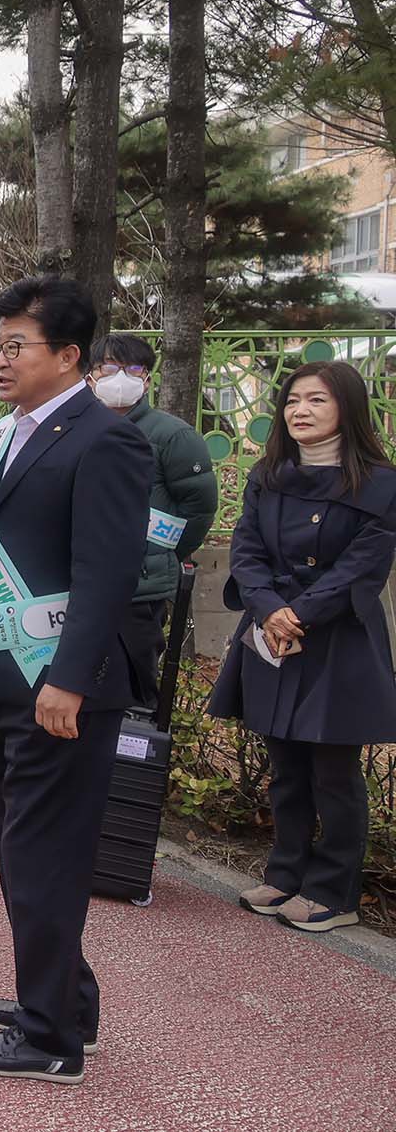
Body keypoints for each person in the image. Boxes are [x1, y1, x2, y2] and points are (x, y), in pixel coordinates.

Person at [0, 275, 152, 1084]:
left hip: (59, 688)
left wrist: (70, 678)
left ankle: (51, 1040)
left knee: (43, 853)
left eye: (16, 345)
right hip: (2, 674)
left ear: (69, 354)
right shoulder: (0, 433)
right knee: (22, 849)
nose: (0, 359)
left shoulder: (105, 440)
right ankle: (64, 1001)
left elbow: (107, 573)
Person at [209, 361, 396, 933]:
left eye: (316, 400)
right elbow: (246, 550)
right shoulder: (268, 475)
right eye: (292, 400)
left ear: (348, 407)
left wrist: (298, 614)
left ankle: (334, 892)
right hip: (272, 631)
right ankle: (285, 872)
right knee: (285, 763)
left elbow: (362, 566)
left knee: (332, 770)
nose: (300, 410)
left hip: (338, 636)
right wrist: (269, 609)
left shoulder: (381, 484)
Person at [85, 333, 217, 712]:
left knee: (133, 689)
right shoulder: (75, 427)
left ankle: (131, 747)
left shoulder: (173, 436)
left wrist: (160, 552)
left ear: (146, 380)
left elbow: (199, 508)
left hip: (139, 591)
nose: (120, 377)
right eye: (109, 368)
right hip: (78, 583)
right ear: (90, 376)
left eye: (132, 369)